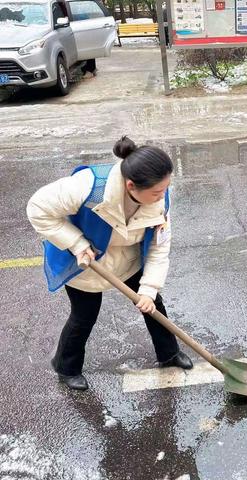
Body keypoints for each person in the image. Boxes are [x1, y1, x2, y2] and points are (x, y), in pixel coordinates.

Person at [26, 136, 193, 391]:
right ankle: (66, 367)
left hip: (128, 257)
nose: (162, 196)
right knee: (84, 315)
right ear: (130, 186)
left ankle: (168, 354)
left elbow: (159, 248)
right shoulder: (87, 187)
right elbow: (37, 209)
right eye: (157, 192)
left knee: (154, 305)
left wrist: (148, 290)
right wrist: (77, 243)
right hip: (85, 259)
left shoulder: (159, 199)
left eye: (165, 188)